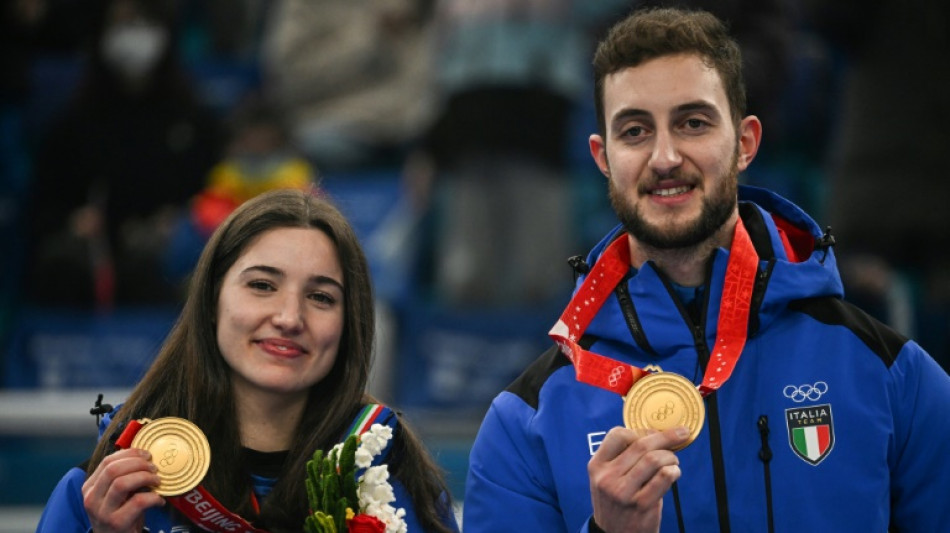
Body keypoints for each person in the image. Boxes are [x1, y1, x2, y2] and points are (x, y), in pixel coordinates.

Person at [463, 7, 950, 533]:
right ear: (603, 159)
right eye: (635, 131)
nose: (666, 156)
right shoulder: (525, 423)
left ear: (744, 143)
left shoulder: (890, 374)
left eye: (693, 123)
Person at [36, 189, 459, 532]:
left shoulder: (402, 486)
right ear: (212, 299)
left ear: (350, 325)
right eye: (261, 285)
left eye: (321, 297)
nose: (290, 318)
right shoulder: (104, 492)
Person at [24, 0, 223, 309]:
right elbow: (44, 204)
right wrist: (72, 220)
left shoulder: (195, 122)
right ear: (102, 34)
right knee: (61, 264)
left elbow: (215, 193)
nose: (133, 36)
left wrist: (183, 220)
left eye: (143, 24)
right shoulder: (73, 124)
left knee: (158, 265)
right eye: (122, 25)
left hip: (161, 252)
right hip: (92, 252)